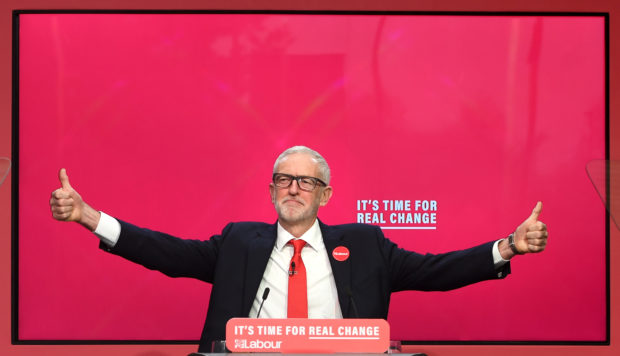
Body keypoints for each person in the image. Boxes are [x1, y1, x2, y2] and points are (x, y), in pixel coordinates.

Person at [49, 146, 548, 352]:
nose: (293, 189)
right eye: (283, 180)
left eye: (305, 182)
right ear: (270, 192)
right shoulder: (240, 242)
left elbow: (437, 270)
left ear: (325, 195)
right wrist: (91, 217)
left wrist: (508, 247)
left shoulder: (365, 244)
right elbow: (170, 254)